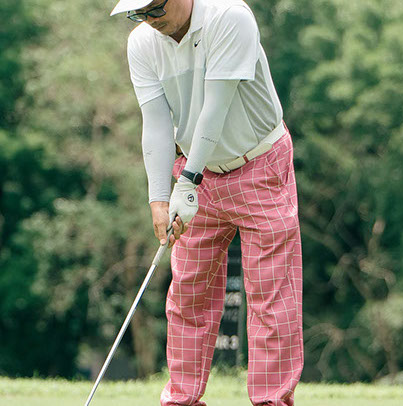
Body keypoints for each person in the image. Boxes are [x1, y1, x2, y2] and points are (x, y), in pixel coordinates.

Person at [110, 0, 303, 405]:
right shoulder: (141, 43)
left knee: (271, 295)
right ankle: (181, 399)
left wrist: (188, 181)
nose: (149, 20)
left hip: (259, 164)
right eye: (139, 13)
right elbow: (156, 122)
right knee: (188, 293)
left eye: (155, 8)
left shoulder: (229, 17)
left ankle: (271, 400)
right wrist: (158, 198)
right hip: (196, 174)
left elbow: (216, 108)